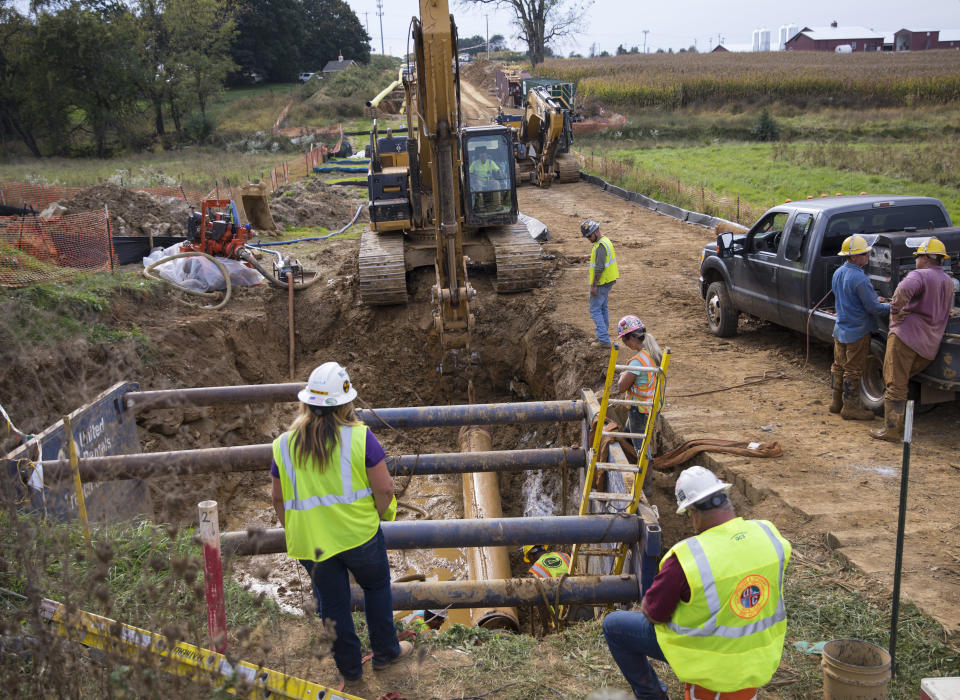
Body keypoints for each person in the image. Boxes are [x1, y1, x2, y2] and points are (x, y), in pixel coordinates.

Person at [270, 362, 412, 683]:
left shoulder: (282, 446)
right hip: (359, 535)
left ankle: (350, 672)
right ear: (346, 403)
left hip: (313, 544)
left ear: (306, 402)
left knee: (333, 605)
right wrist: (374, 516)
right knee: (375, 588)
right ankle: (386, 653)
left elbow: (278, 499)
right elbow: (386, 488)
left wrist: (296, 528)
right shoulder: (360, 438)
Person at [603, 466, 791, 700]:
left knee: (614, 626)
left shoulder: (685, 559)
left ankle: (652, 695)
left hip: (711, 662)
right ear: (726, 500)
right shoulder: (769, 535)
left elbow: (654, 615)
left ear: (693, 512)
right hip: (759, 658)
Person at [871, 237, 955, 441]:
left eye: (918, 256)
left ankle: (892, 429)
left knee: (895, 381)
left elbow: (902, 291)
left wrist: (895, 308)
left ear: (925, 258)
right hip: (929, 345)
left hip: (905, 337)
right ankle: (899, 425)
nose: (916, 260)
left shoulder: (918, 275)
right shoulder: (948, 281)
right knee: (902, 380)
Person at [830, 234, 890, 420]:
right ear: (854, 257)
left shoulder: (838, 273)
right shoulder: (860, 278)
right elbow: (874, 308)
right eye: (864, 254)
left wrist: (872, 298)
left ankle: (836, 402)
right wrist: (893, 305)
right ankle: (851, 408)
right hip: (857, 332)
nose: (868, 256)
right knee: (854, 370)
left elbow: (849, 297)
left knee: (839, 366)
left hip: (841, 328)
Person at [615, 315, 662, 457]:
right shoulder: (653, 354)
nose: (624, 343)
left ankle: (644, 477)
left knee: (641, 451)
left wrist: (623, 375)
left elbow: (621, 387)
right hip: (651, 406)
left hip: (639, 410)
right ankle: (625, 457)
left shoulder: (637, 361)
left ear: (632, 338)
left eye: (624, 339)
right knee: (627, 435)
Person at [582, 220, 619, 347]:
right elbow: (601, 257)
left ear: (596, 231)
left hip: (602, 282)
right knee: (603, 308)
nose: (588, 239)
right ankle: (603, 335)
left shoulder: (601, 246)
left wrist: (594, 286)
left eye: (589, 236)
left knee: (595, 309)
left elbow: (599, 268)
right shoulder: (604, 241)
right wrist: (590, 255)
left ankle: (603, 340)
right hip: (608, 280)